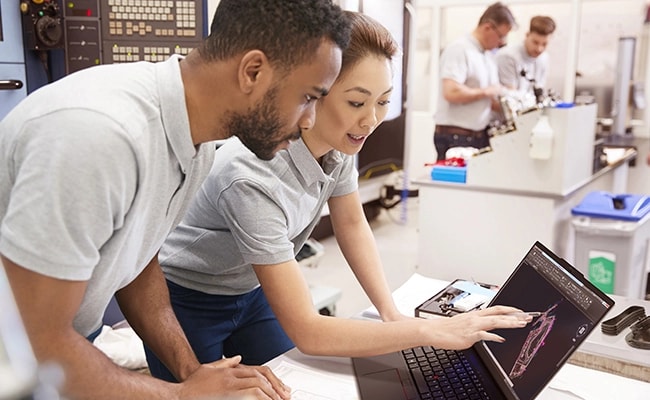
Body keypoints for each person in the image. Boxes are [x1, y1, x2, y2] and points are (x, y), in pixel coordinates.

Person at [145, 11, 533, 381]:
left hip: (250, 288)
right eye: (356, 102)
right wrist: (427, 332)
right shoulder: (251, 173)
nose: (370, 120)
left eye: (382, 101)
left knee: (285, 383)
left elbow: (350, 223)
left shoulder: (339, 143)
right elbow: (310, 333)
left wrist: (391, 313)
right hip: (189, 299)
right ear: (316, 91)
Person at [0, 1, 351, 399]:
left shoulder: (195, 137)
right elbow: (38, 343)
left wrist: (194, 374)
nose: (309, 120)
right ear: (253, 71)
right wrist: (181, 395)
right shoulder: (100, 138)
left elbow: (136, 259)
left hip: (50, 344)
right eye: (308, 97)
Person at [433, 2, 516, 161]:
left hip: (478, 135)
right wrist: (486, 92)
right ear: (487, 27)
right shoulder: (460, 50)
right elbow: (451, 92)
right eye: (501, 36)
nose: (502, 42)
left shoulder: (486, 55)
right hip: (457, 137)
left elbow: (485, 100)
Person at [496, 16, 556, 103]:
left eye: (545, 44)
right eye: (535, 42)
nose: (539, 49)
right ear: (527, 35)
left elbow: (539, 90)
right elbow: (511, 99)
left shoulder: (544, 58)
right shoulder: (507, 56)